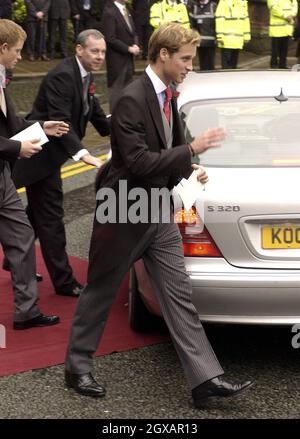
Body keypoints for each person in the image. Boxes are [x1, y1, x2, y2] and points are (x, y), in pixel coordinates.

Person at [64, 23, 253, 407]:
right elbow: (135, 161)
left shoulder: (170, 95)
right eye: (185, 59)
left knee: (179, 295)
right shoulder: (132, 98)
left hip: (159, 209)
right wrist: (190, 150)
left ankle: (205, 380)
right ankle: (76, 367)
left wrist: (190, 169)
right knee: (100, 291)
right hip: (123, 208)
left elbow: (172, 148)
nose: (189, 66)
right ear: (163, 54)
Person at [11, 29, 110, 298]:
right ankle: (64, 282)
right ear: (79, 49)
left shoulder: (85, 75)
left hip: (50, 157)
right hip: (38, 155)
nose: (100, 56)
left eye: (102, 51)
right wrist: (82, 154)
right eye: (94, 51)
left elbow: (98, 117)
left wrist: (129, 126)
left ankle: (13, 260)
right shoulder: (63, 75)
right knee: (51, 219)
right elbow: (61, 121)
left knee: (37, 213)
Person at [0, 19, 69, 329]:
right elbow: (10, 138)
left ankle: (26, 311)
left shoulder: (1, 76)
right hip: (5, 165)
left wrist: (42, 128)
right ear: (2, 48)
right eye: (16, 51)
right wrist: (16, 148)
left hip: (3, 178)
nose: (20, 57)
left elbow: (11, 124)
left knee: (23, 235)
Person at [101, 0, 140, 112]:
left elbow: (132, 31)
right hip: (116, 61)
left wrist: (136, 44)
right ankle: (114, 122)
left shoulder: (126, 10)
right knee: (116, 94)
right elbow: (110, 38)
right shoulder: (110, 12)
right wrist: (128, 48)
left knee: (127, 93)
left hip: (128, 60)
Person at [215, 0, 251, 69]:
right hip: (226, 41)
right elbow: (220, 19)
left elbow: (245, 20)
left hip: (237, 41)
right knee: (226, 66)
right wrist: (219, 36)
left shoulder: (243, 3)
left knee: (233, 66)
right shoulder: (224, 2)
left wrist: (247, 36)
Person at [267, 0, 298, 69]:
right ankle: (274, 64)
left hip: (287, 28)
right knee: (275, 49)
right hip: (276, 28)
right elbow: (273, 8)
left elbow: (295, 4)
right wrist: (285, 16)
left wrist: (292, 15)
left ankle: (282, 64)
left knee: (284, 49)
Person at [188, 0, 217, 71]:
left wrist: (217, 37)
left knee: (210, 65)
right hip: (200, 42)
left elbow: (218, 23)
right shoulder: (194, 7)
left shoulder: (213, 6)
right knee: (202, 65)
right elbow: (192, 24)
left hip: (211, 42)